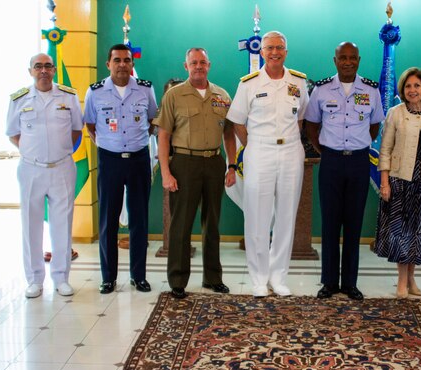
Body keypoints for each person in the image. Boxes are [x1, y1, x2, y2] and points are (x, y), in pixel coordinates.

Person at [227, 31, 309, 298]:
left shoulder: (298, 81)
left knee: (286, 216)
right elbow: (237, 120)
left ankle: (279, 277)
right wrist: (253, 144)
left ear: (286, 51)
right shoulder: (249, 83)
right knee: (257, 216)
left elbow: (301, 117)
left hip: (290, 151)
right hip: (259, 150)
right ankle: (259, 278)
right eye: (269, 47)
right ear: (261, 52)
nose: (274, 52)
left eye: (279, 47)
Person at [305, 42, 385, 301]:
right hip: (331, 162)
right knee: (330, 223)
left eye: (352, 58)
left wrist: (356, 145)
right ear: (335, 59)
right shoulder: (321, 89)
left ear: (359, 60)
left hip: (359, 162)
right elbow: (311, 125)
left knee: (353, 224)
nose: (348, 62)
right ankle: (329, 282)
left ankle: (350, 283)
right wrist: (327, 150)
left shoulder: (371, 90)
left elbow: (374, 127)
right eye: (343, 58)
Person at [155, 48, 236, 299]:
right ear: (186, 66)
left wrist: (231, 165)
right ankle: (178, 280)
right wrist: (166, 173)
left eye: (202, 62)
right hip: (184, 163)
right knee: (181, 224)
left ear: (209, 65)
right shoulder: (174, 95)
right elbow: (164, 136)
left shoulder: (222, 95)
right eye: (193, 63)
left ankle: (213, 278)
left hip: (213, 163)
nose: (198, 66)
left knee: (212, 224)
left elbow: (228, 134)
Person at [6, 53, 83, 298]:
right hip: (31, 169)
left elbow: (75, 130)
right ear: (30, 71)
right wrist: (34, 153)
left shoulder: (68, 96)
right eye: (38, 67)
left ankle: (61, 277)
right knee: (31, 224)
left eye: (48, 66)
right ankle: (34, 279)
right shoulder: (19, 99)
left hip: (62, 168)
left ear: (53, 70)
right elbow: (13, 134)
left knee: (62, 224)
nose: (43, 71)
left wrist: (57, 153)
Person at [84, 44, 158, 294]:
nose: (122, 65)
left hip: (138, 159)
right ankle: (108, 277)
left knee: (139, 220)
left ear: (132, 64)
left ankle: (139, 276)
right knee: (108, 221)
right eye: (117, 60)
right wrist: (109, 144)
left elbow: (151, 122)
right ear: (108, 64)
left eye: (127, 60)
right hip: (110, 160)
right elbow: (91, 125)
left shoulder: (145, 89)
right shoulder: (95, 92)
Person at [374, 67, 421, 299]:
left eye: (417, 85)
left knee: (420, 232)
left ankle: (412, 278)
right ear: (403, 89)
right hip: (400, 180)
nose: (412, 90)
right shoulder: (395, 113)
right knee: (401, 233)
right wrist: (384, 183)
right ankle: (401, 281)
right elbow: (384, 150)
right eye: (408, 86)